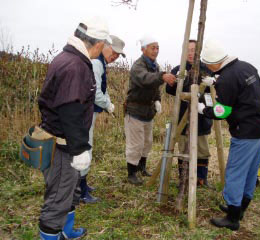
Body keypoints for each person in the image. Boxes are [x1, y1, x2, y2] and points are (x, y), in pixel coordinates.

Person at [37, 16, 112, 239]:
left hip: (60, 139)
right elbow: (70, 109)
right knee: (58, 197)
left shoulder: (67, 57)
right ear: (98, 44)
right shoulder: (75, 65)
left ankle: (67, 231)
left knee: (68, 191)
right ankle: (51, 234)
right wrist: (79, 148)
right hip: (62, 145)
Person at [198, 39, 260, 231]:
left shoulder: (227, 79)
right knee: (250, 171)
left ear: (213, 63)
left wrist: (203, 109)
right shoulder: (246, 67)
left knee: (236, 172)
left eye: (206, 65)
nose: (206, 67)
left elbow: (223, 112)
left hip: (245, 132)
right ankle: (239, 208)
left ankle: (232, 218)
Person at [79, 35, 126, 204]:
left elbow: (102, 88)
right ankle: (80, 191)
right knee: (85, 148)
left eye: (118, 55)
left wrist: (108, 101)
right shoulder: (96, 63)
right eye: (113, 52)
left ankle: (82, 184)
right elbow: (96, 92)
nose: (115, 57)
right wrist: (107, 104)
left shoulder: (100, 62)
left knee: (85, 146)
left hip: (89, 111)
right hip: (86, 112)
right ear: (104, 46)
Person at [124, 35, 176, 185]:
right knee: (136, 144)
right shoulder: (138, 66)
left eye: (157, 48)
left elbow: (155, 86)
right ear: (143, 49)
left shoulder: (155, 65)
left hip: (148, 111)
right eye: (153, 48)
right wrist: (162, 76)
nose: (156, 51)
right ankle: (131, 173)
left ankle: (142, 167)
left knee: (147, 142)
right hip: (135, 110)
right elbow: (147, 79)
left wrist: (158, 100)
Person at [166, 39, 213, 187]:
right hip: (183, 117)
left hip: (202, 115)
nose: (191, 53)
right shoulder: (178, 69)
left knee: (202, 149)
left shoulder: (207, 69)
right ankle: (184, 179)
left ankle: (201, 179)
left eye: (194, 50)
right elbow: (169, 90)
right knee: (184, 148)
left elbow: (215, 89)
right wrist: (179, 81)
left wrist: (212, 83)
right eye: (188, 50)